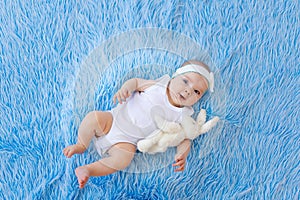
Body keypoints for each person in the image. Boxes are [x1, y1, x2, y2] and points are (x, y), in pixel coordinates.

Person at [63, 60, 215, 188]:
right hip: (111, 121)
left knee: (123, 160)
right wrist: (126, 88)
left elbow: (185, 137)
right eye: (185, 81)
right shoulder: (157, 86)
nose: (188, 90)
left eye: (197, 92)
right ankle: (81, 144)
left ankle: (88, 169)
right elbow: (136, 82)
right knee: (92, 118)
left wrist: (182, 153)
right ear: (174, 76)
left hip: (126, 143)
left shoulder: (183, 114)